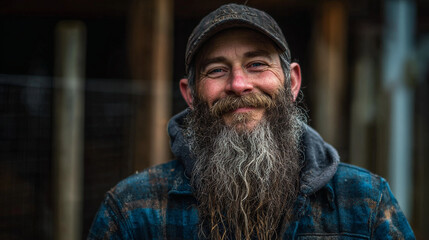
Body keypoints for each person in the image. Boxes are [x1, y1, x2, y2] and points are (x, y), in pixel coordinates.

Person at [88, 3, 415, 240]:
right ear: (190, 95)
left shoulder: (365, 202)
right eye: (216, 70)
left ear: (293, 82)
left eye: (257, 64)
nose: (239, 84)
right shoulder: (134, 211)